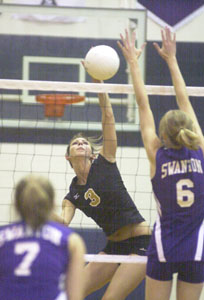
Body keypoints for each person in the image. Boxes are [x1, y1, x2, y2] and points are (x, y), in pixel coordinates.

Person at [118, 27, 204, 300]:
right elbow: (185, 100)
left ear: (162, 133)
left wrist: (133, 62)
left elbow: (142, 104)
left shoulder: (156, 154)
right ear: (189, 129)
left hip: (163, 248)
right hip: (195, 252)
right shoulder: (200, 150)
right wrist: (172, 60)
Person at [52, 66, 151, 299]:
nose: (80, 144)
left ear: (92, 154)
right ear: (68, 157)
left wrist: (99, 85)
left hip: (142, 243)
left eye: (84, 143)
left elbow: (107, 116)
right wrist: (40, 208)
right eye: (75, 143)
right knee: (70, 293)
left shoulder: (105, 161)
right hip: (113, 247)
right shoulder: (72, 195)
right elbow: (63, 222)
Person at [0, 174, 86, 300]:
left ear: (16, 205)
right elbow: (75, 296)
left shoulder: (2, 238)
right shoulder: (71, 241)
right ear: (52, 205)